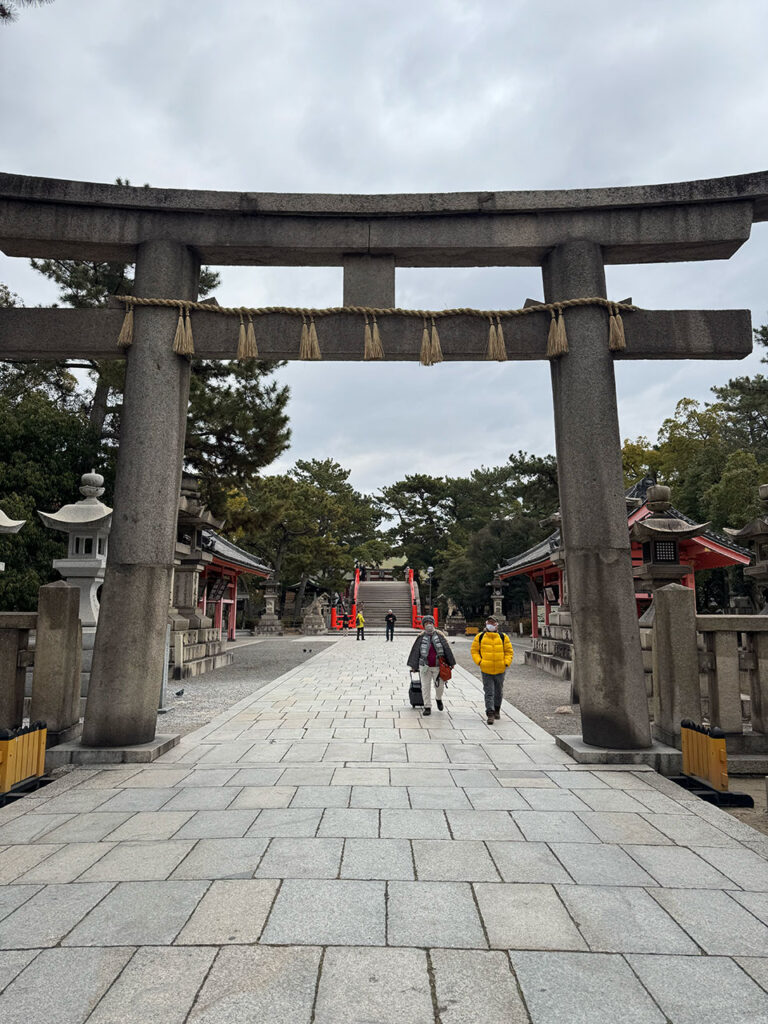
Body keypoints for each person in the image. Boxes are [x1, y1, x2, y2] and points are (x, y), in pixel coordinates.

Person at [406, 614, 455, 716]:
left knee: (439, 687)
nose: (429, 625)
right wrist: (414, 666)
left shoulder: (440, 636)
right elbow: (415, 652)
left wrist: (451, 662)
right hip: (424, 666)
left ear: (433, 624)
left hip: (439, 666)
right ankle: (427, 706)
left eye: (430, 623)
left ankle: (438, 698)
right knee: (425, 687)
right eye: (427, 623)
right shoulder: (420, 637)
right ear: (424, 625)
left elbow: (447, 649)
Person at [471, 616, 514, 724]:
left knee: (498, 691)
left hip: (500, 668)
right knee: (489, 692)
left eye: (493, 623)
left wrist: (506, 662)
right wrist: (479, 661)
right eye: (489, 622)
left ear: (496, 625)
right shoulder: (480, 637)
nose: (491, 624)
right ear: (486, 624)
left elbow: (509, 651)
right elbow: (474, 651)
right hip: (486, 668)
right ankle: (490, 713)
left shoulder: (503, 637)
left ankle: (497, 709)